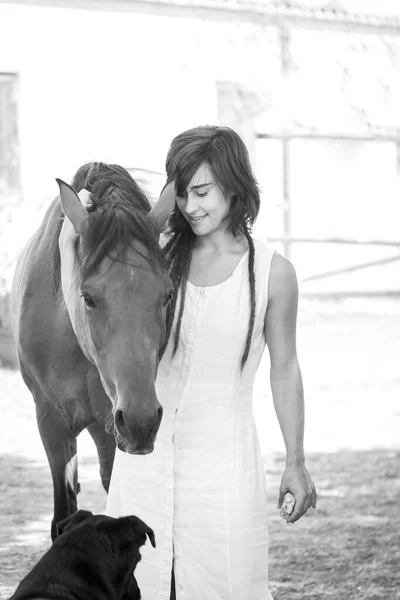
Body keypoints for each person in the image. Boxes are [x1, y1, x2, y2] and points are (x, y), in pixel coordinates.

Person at [59, 126, 316, 600]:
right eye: (182, 195)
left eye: (202, 192)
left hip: (223, 469)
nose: (190, 207)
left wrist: (296, 462)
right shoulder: (156, 254)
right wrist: (71, 234)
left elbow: (285, 369)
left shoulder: (274, 274)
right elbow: (91, 299)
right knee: (142, 583)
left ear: (236, 186)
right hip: (147, 463)